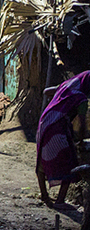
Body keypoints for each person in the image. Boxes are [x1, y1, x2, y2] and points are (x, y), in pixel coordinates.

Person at [36, 70, 90, 206]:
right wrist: (81, 141)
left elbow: (46, 91)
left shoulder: (66, 86)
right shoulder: (81, 98)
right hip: (57, 127)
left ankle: (44, 195)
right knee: (69, 162)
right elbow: (83, 124)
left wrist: (60, 94)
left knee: (42, 161)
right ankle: (60, 201)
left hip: (44, 123)